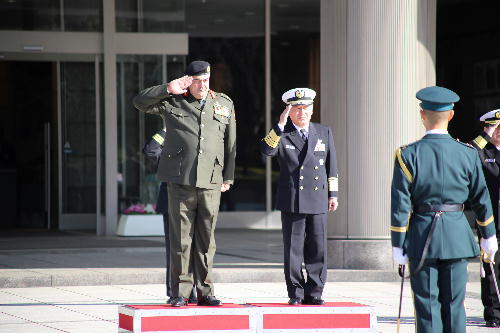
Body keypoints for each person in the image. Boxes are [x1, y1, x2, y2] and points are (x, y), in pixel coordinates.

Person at [391, 86, 498, 332]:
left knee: (427, 306)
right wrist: (489, 236)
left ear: (422, 115)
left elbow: (400, 205)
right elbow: (482, 199)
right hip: (457, 236)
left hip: (421, 235)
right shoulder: (468, 153)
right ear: (451, 116)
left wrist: (398, 244)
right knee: (454, 306)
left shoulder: (407, 155)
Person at [133, 60, 237, 307]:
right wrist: (168, 88)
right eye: (197, 81)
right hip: (180, 180)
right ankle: (180, 293)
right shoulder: (173, 101)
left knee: (206, 239)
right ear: (188, 81)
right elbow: (139, 102)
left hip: (211, 181)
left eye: (206, 80)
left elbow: (231, 144)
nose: (202, 85)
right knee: (181, 239)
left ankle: (205, 291)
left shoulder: (224, 103)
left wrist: (228, 177)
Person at [260, 88, 338, 306]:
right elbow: (266, 151)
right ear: (289, 111)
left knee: (318, 248)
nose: (301, 112)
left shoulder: (324, 132)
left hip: (319, 197)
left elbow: (332, 166)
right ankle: (295, 293)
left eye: (305, 108)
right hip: (293, 198)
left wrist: (334, 194)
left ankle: (315, 292)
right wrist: (279, 126)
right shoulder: (282, 134)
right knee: (294, 251)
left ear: (312, 110)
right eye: (296, 108)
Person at [142, 128, 197, 305]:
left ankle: (192, 290)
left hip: (192, 202)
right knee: (174, 250)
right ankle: (175, 291)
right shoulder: (165, 150)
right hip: (170, 203)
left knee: (194, 248)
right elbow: (150, 149)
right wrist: (165, 130)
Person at [469, 109, 500, 328]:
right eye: (496, 128)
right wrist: (486, 136)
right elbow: (465, 154)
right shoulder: (481, 151)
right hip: (491, 219)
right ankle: (494, 313)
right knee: (490, 267)